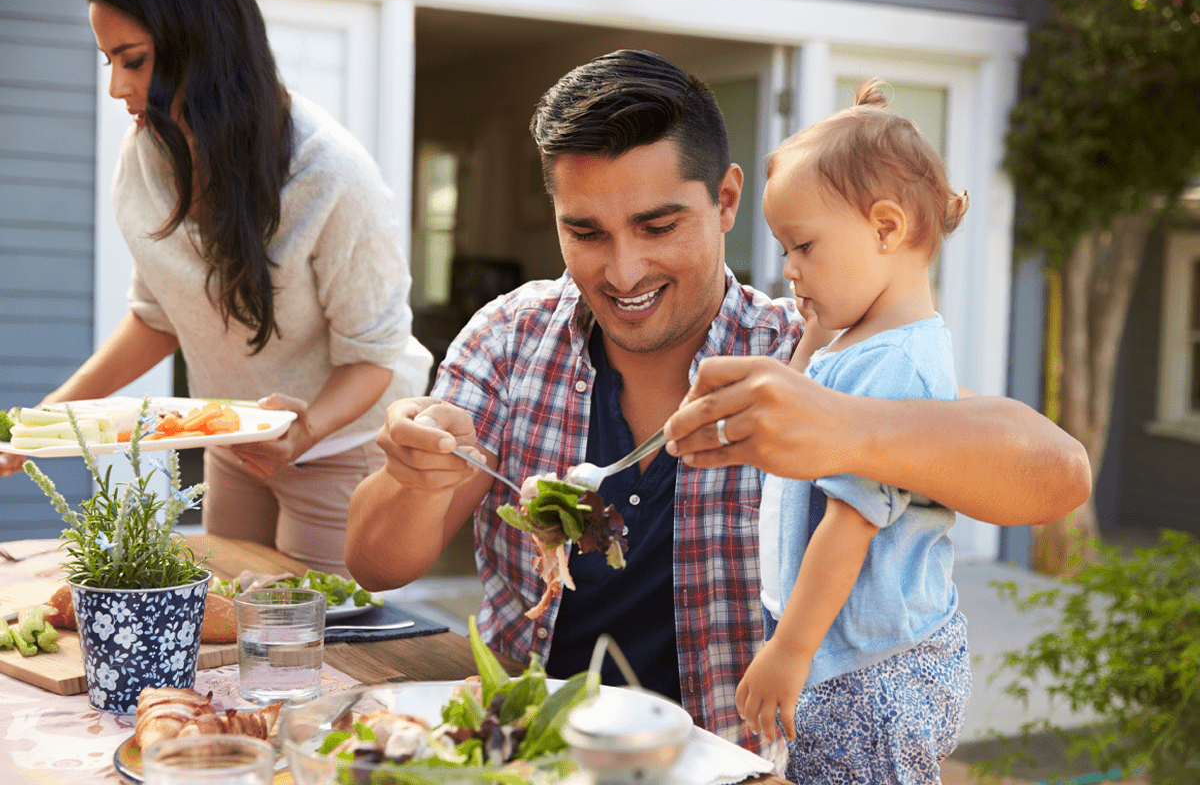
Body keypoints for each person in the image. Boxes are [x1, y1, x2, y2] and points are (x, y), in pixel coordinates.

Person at [344, 49, 1089, 756]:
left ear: (726, 199)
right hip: (528, 751)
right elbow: (378, 566)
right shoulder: (510, 338)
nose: (623, 268)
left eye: (658, 225)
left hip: (725, 761)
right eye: (586, 232)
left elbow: (1058, 476)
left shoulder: (806, 355)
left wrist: (849, 430)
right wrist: (414, 475)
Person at [0, 0, 432, 576]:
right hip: (234, 436)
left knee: (321, 643)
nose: (116, 88)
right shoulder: (148, 156)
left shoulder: (330, 174)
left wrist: (303, 433)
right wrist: (46, 421)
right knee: (221, 619)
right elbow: (157, 317)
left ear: (201, 46)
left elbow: (373, 355)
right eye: (110, 62)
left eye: (134, 60)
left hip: (339, 443)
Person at [729, 79, 971, 783]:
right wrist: (810, 343)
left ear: (886, 229)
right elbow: (806, 421)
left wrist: (790, 650)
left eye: (803, 246)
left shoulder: (900, 364)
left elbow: (849, 522)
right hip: (844, 646)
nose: (788, 269)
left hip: (872, 669)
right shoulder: (857, 345)